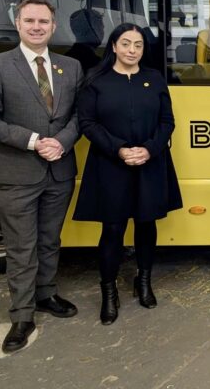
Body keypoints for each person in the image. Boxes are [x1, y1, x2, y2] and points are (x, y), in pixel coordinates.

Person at [0, 0, 83, 353]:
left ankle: (46, 294)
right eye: (30, 21)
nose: (37, 27)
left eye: (43, 21)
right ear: (18, 24)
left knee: (49, 240)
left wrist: (61, 142)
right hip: (16, 170)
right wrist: (35, 141)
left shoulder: (71, 67)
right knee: (21, 246)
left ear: (53, 26)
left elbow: (79, 116)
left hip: (59, 169)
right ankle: (22, 315)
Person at [73, 23, 182, 325]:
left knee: (146, 224)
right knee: (112, 229)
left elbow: (167, 122)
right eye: (125, 43)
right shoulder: (96, 80)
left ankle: (143, 282)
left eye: (138, 45)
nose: (132, 50)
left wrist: (149, 149)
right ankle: (109, 292)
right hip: (110, 164)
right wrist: (120, 149)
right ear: (113, 46)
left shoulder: (154, 79)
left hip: (150, 162)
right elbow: (87, 123)